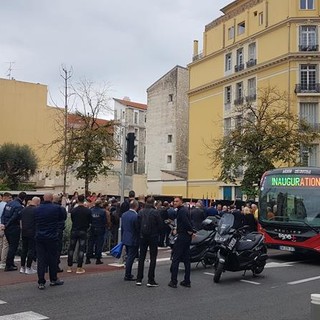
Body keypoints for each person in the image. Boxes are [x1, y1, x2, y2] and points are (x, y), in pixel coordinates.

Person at [34, 193, 65, 290]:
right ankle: (53, 279)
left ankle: (41, 282)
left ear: (43, 198)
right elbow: (63, 218)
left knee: (41, 259)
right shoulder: (57, 208)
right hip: (52, 236)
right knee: (53, 258)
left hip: (40, 236)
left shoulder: (37, 209)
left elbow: (34, 220)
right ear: (52, 199)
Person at [136, 196, 162, 287]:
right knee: (153, 257)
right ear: (153, 203)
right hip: (153, 236)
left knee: (141, 257)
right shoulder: (155, 212)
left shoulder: (141, 212)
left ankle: (139, 278)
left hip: (143, 236)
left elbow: (137, 224)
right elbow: (160, 225)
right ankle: (150, 279)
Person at [168, 196, 194, 289]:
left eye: (177, 201)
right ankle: (187, 281)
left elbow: (186, 222)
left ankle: (173, 281)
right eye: (174, 201)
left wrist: (190, 230)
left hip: (182, 236)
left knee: (176, 259)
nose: (175, 202)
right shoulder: (184, 210)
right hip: (186, 237)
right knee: (187, 259)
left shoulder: (182, 211)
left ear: (181, 202)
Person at [1, 192, 26, 272]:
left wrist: (3, 224)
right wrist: (6, 225)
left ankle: (11, 263)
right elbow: (14, 218)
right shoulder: (19, 206)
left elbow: (3, 215)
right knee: (13, 247)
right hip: (13, 228)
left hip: (7, 228)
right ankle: (8, 265)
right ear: (24, 199)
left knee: (9, 245)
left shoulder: (9, 204)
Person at [67, 194, 92, 274]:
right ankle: (79, 267)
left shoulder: (74, 210)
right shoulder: (88, 211)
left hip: (74, 230)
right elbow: (90, 221)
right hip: (83, 230)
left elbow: (72, 219)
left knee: (71, 248)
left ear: (77, 200)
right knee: (81, 249)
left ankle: (69, 267)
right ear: (84, 200)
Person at [20, 196, 41, 274]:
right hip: (33, 232)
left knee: (24, 249)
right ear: (38, 202)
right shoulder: (37, 210)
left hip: (24, 231)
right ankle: (28, 267)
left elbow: (20, 220)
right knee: (31, 249)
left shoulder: (24, 209)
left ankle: (22, 267)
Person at [121, 200, 139, 281]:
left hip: (126, 237)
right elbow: (137, 228)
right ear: (136, 206)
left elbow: (122, 227)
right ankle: (127, 274)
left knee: (129, 256)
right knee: (131, 257)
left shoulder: (124, 214)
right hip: (133, 238)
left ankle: (128, 274)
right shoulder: (135, 216)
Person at [86, 199, 107, 265]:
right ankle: (98, 258)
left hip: (92, 228)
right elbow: (104, 221)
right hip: (100, 228)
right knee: (99, 244)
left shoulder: (91, 210)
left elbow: (89, 220)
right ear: (100, 204)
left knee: (90, 243)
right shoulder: (103, 211)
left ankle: (88, 258)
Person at [53, 194, 67, 273]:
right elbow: (64, 217)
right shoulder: (61, 209)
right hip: (58, 230)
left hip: (49, 230)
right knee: (57, 248)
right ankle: (56, 265)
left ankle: (45, 266)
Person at [0, 192, 12, 269]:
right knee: (5, 244)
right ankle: (3, 262)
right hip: (3, 226)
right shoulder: (6, 205)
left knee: (0, 244)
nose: (10, 199)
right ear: (6, 197)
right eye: (10, 197)